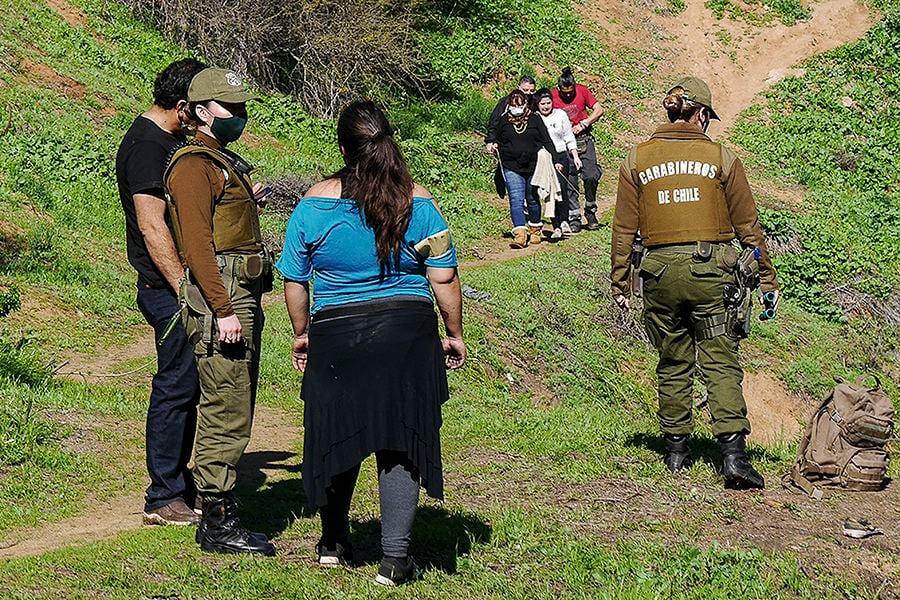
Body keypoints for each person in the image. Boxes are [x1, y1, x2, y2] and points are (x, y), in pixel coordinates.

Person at [277, 100, 465, 586]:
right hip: (406, 333)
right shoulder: (420, 203)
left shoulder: (313, 204)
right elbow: (443, 277)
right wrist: (454, 333)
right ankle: (395, 558)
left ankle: (333, 542)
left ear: (343, 146)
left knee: (338, 431)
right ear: (390, 143)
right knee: (400, 439)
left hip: (338, 333)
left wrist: (302, 333)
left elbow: (295, 280)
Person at [610, 77, 780, 490]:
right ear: (701, 114)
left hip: (659, 275)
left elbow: (623, 229)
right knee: (720, 359)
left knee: (673, 359)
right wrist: (766, 277)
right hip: (711, 276)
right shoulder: (722, 158)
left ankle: (675, 452)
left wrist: (620, 283)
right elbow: (748, 227)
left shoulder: (636, 160)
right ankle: (734, 458)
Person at [163, 67, 275, 555]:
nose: (241, 116)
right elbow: (198, 248)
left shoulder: (221, 160)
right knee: (224, 406)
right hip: (222, 296)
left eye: (243, 107)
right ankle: (216, 521)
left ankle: (222, 510)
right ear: (202, 112)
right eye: (231, 109)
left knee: (237, 401)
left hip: (238, 291)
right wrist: (223, 309)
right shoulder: (193, 165)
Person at [115, 58, 207, 527]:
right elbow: (153, 227)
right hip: (166, 289)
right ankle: (163, 495)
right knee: (175, 386)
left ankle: (179, 484)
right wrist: (184, 289)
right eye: (204, 107)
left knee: (187, 384)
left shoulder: (166, 139)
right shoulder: (148, 147)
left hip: (174, 287)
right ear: (183, 107)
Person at [494, 89, 558, 248]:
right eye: (514, 105)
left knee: (532, 198)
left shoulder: (535, 120)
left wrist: (556, 160)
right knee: (516, 198)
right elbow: (495, 137)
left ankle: (535, 229)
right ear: (509, 105)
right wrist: (493, 144)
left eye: (520, 104)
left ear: (525, 104)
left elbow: (547, 140)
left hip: (533, 165)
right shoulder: (503, 121)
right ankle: (520, 234)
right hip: (511, 165)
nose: (517, 108)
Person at [551, 66, 604, 233]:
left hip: (583, 139)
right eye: (565, 93)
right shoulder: (552, 96)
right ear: (558, 88)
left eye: (570, 92)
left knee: (591, 175)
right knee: (570, 180)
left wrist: (585, 123)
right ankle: (574, 216)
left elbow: (599, 109)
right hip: (563, 143)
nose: (568, 95)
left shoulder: (582, 91)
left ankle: (590, 210)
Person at [534, 87, 582, 240]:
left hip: (561, 155)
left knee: (561, 188)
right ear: (537, 104)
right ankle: (556, 226)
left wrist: (575, 156)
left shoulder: (561, 115)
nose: (546, 106)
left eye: (548, 103)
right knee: (550, 192)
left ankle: (564, 220)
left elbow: (569, 137)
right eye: (543, 104)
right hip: (544, 158)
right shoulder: (535, 118)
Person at [484, 75, 536, 154]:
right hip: (507, 139)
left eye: (531, 90)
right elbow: (494, 121)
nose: (528, 93)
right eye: (525, 90)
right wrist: (490, 140)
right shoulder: (506, 102)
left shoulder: (535, 103)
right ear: (518, 87)